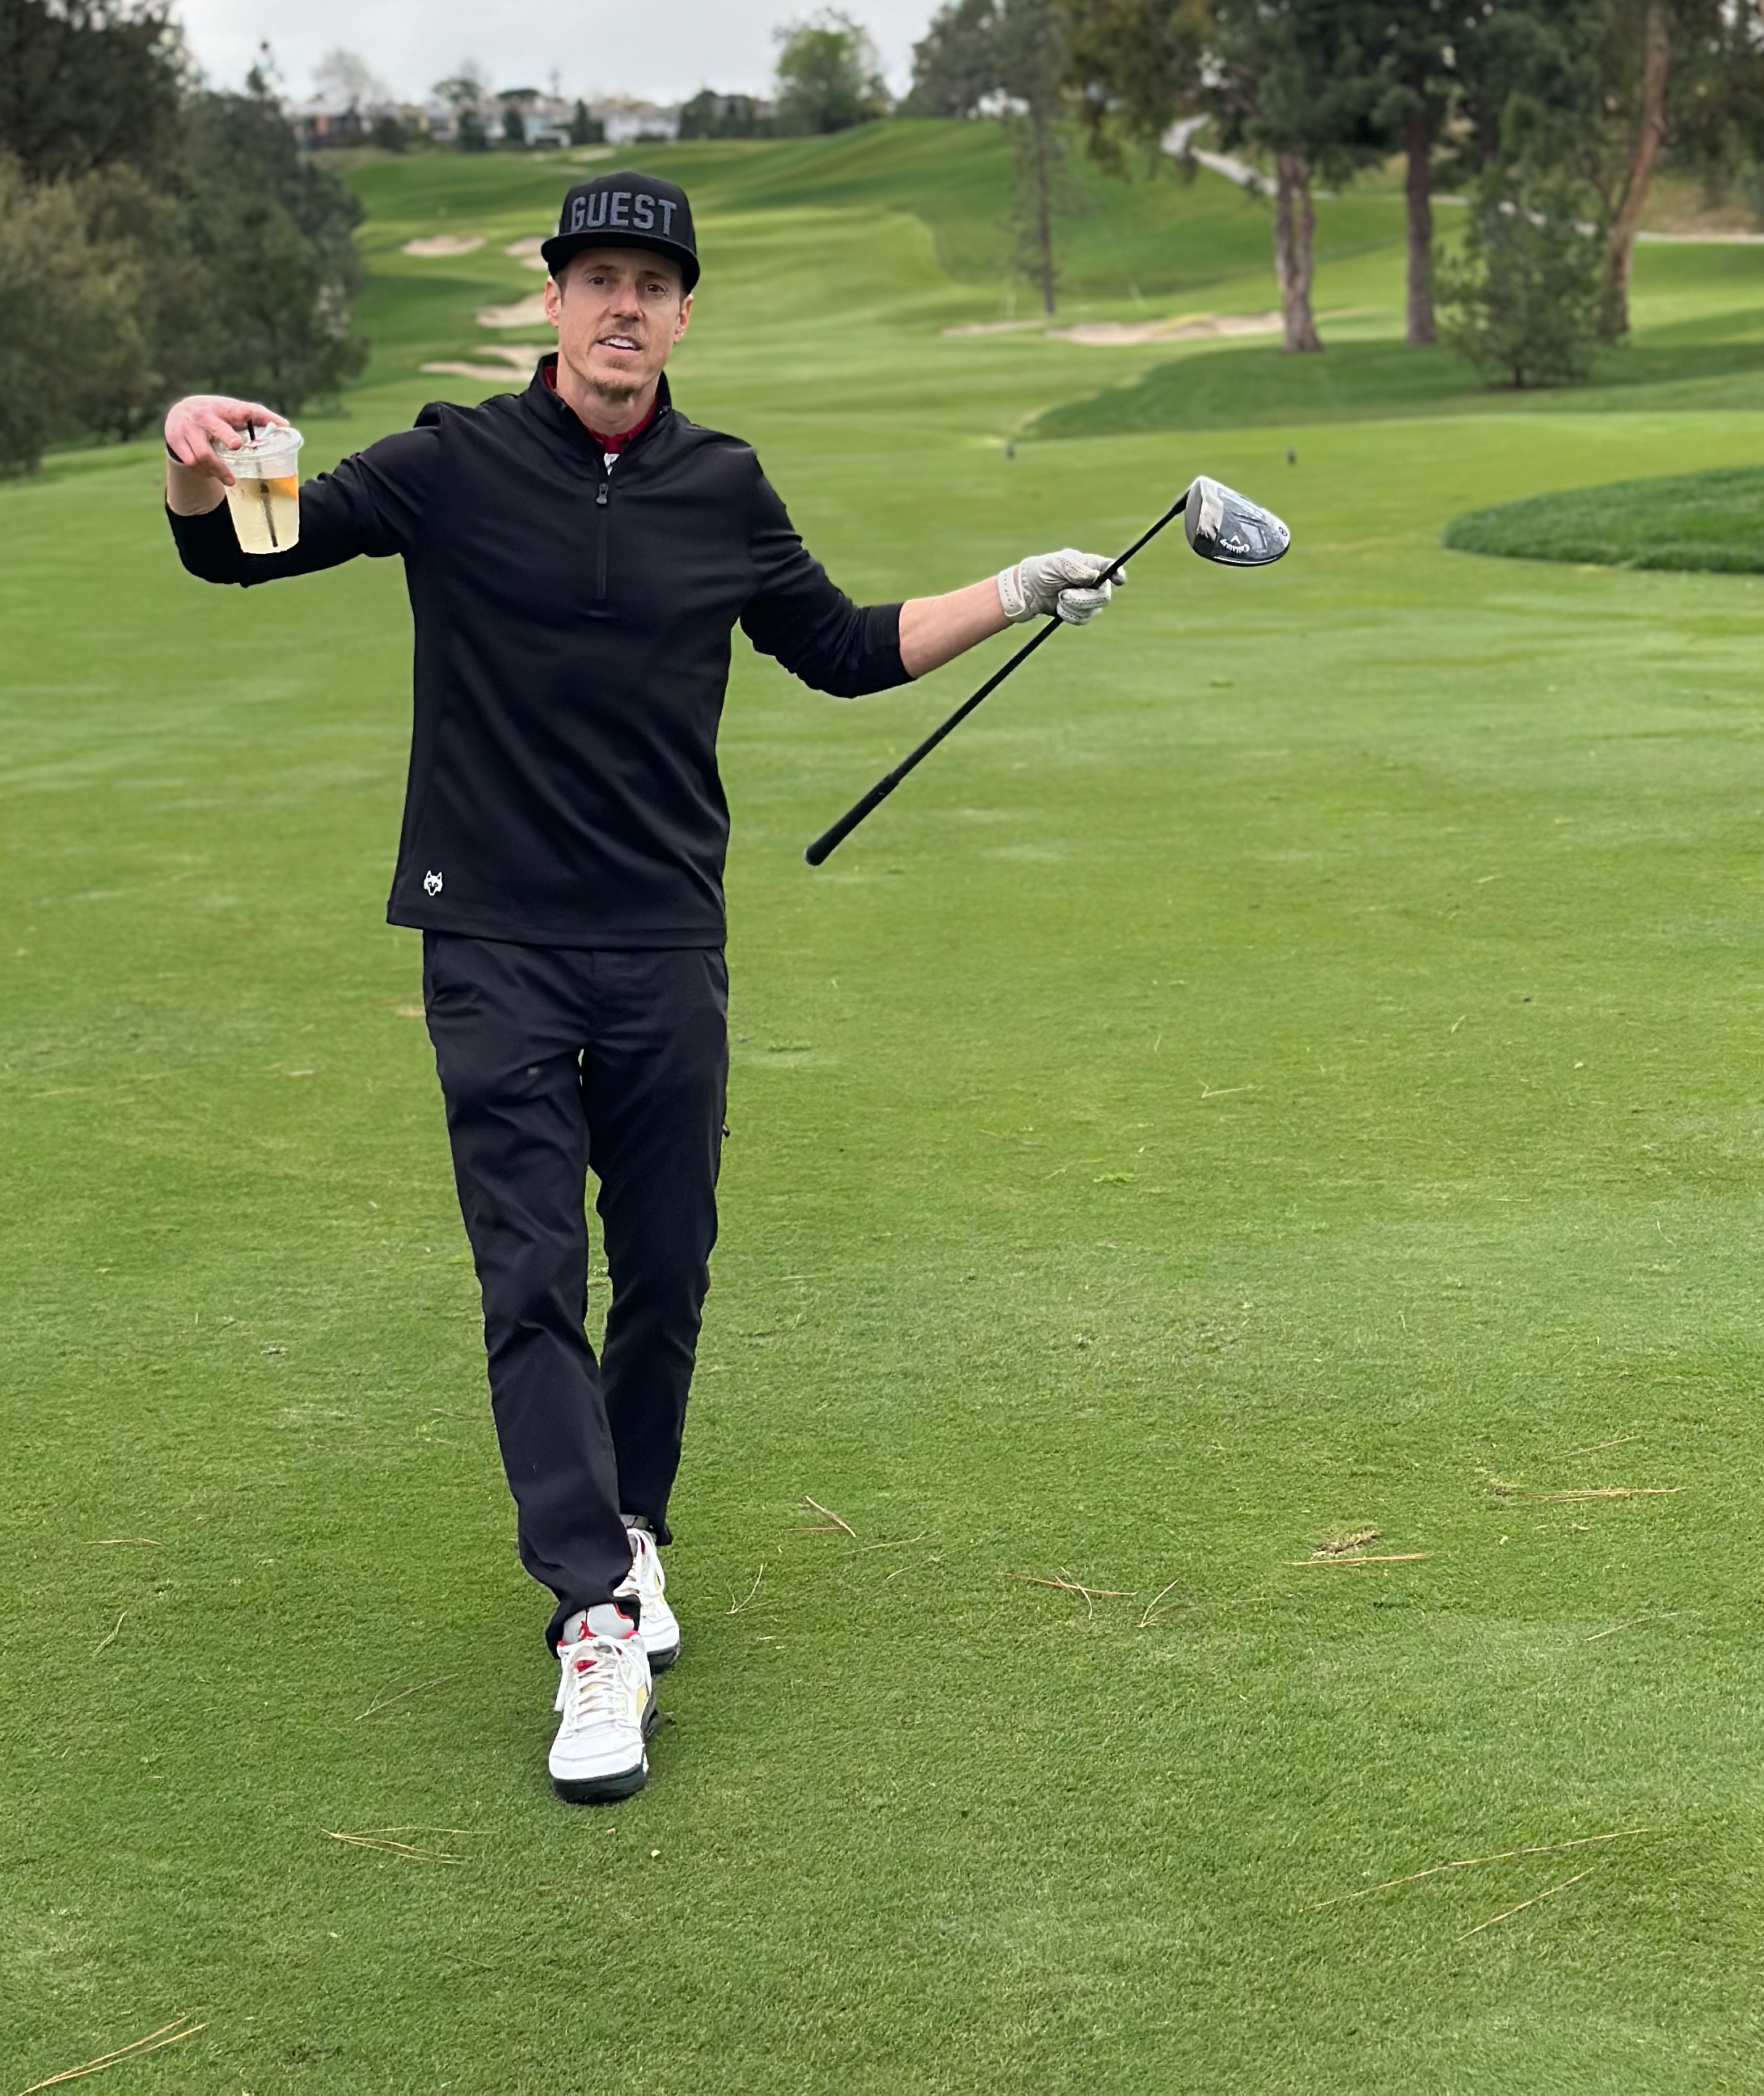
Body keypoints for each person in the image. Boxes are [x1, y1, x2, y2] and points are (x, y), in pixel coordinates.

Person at [160, 168, 1122, 1801]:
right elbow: (246, 551)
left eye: (651, 284)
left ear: (684, 315)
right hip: (495, 940)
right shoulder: (453, 462)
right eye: (596, 277)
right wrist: (196, 453)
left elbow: (838, 643)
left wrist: (1018, 588)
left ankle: (636, 1530)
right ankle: (591, 1614)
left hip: (666, 937)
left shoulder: (723, 485)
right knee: (534, 1271)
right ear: (552, 300)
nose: (623, 306)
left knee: (664, 1268)